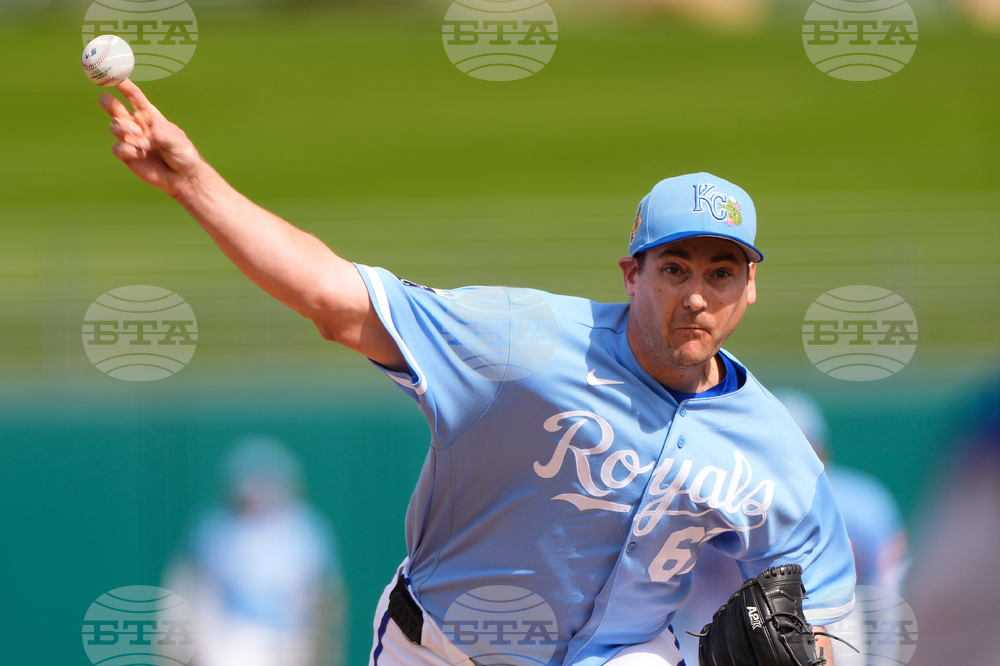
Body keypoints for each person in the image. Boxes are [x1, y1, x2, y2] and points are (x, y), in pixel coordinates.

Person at [99, 80, 856, 666]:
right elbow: (333, 300)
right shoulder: (523, 342)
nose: (696, 295)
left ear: (750, 286)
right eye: (675, 267)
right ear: (632, 273)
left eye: (722, 272)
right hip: (440, 647)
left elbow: (826, 615)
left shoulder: (773, 448)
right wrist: (197, 183)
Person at [671, 389, 907, 666]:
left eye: (803, 451)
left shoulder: (865, 509)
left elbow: (885, 601)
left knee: (841, 615)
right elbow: (683, 603)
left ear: (822, 454)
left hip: (831, 622)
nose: (788, 466)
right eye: (775, 453)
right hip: (734, 621)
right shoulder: (714, 511)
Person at [164, 436, 346, 666]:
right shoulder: (213, 529)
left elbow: (326, 602)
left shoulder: (305, 529)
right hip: (230, 644)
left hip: (288, 643)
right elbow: (189, 597)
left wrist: (322, 653)